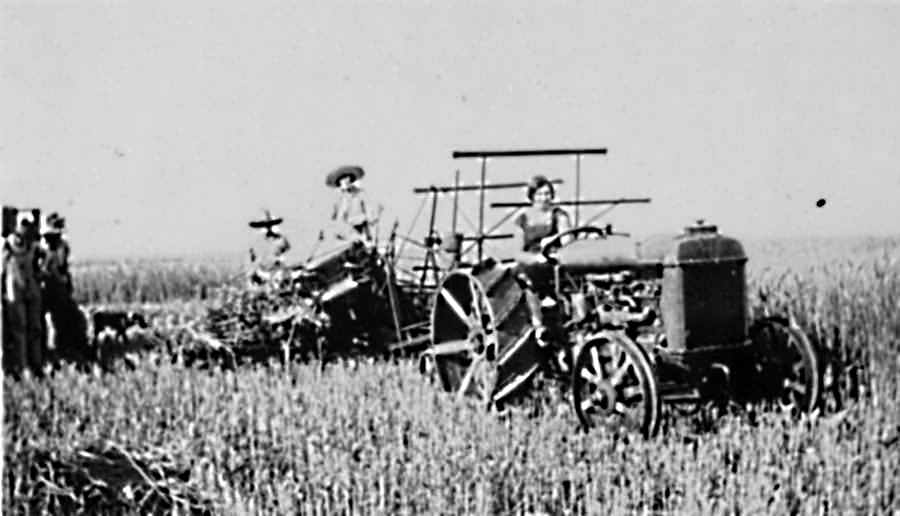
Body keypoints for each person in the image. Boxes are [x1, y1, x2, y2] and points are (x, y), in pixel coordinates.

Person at [512, 175, 572, 345]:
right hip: (531, 260)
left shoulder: (559, 216)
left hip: (554, 256)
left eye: (547, 194)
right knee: (526, 273)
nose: (544, 198)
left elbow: (567, 240)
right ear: (531, 197)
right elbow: (517, 251)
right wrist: (535, 258)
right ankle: (538, 325)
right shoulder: (522, 219)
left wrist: (554, 247)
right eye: (539, 194)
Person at [2, 211, 44, 377]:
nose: (27, 228)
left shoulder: (34, 246)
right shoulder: (7, 246)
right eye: (24, 224)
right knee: (19, 329)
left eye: (29, 225)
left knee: (35, 328)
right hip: (14, 289)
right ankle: (22, 365)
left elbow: (40, 267)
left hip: (31, 288)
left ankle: (37, 364)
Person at [324, 165, 381, 243]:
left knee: (368, 243)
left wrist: (372, 220)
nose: (345, 183)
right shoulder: (341, 199)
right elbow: (338, 216)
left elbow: (368, 208)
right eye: (342, 182)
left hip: (363, 226)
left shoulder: (360, 193)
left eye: (347, 180)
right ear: (340, 184)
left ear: (351, 180)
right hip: (349, 228)